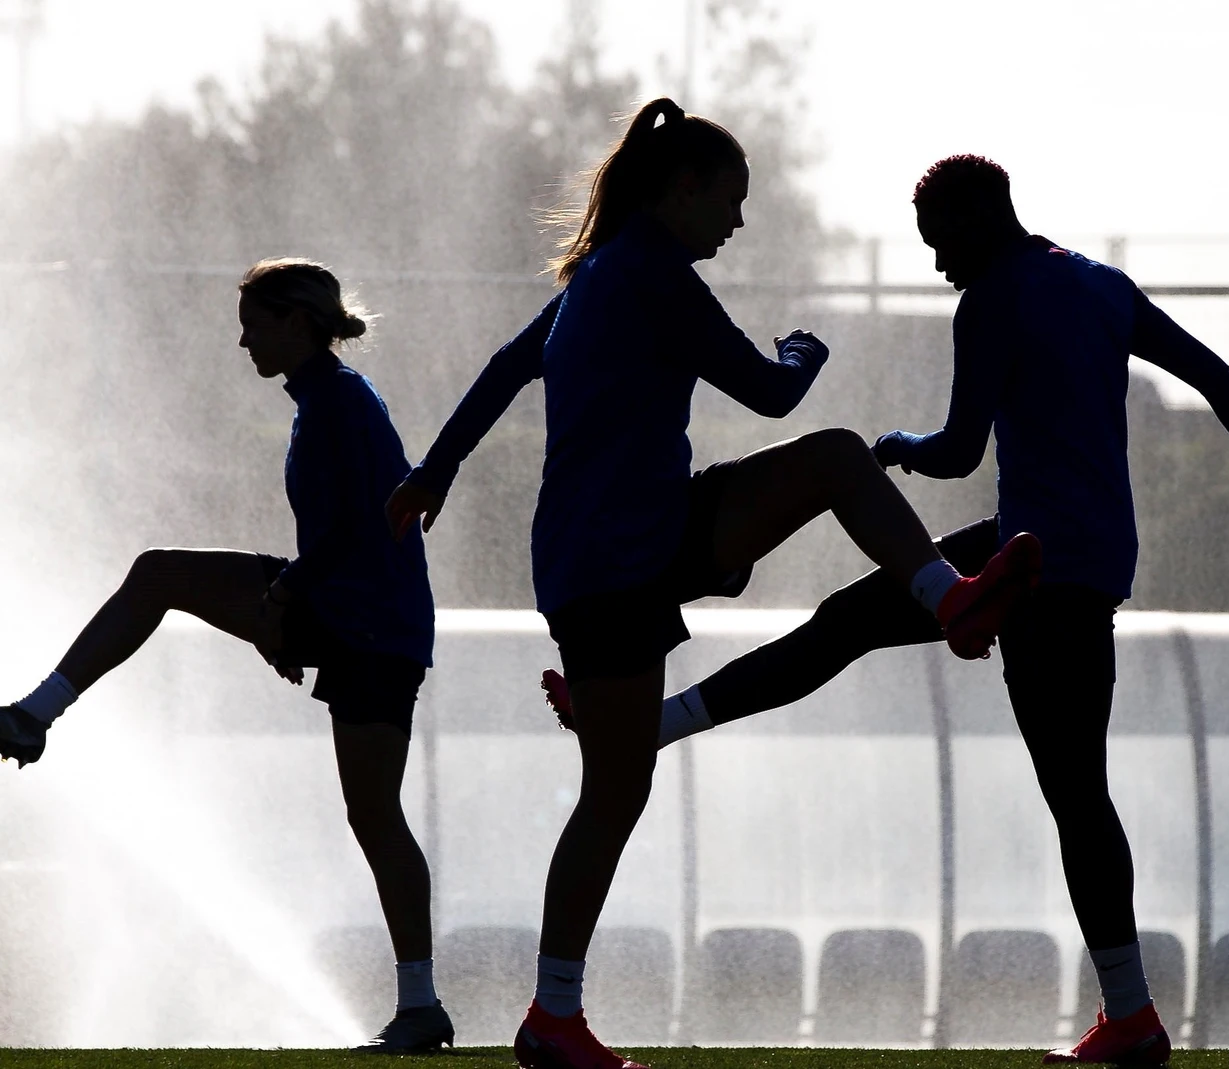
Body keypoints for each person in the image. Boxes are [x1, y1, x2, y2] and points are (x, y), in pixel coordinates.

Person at [540, 155, 1229, 1064]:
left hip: (1036, 569)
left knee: (1066, 785)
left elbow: (955, 449)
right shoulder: (1103, 286)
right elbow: (1218, 377)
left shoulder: (990, 298)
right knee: (864, 628)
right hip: (1084, 555)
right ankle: (681, 716)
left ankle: (1134, 1017)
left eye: (943, 243)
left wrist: (896, 447)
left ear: (983, 220)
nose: (941, 264)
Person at [385, 102, 1031, 1069]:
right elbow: (771, 388)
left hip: (634, 535)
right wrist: (806, 348)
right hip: (616, 556)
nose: (736, 222)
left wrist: (436, 469)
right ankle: (552, 1015)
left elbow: (502, 368)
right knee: (615, 788)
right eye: (729, 201)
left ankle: (950, 598)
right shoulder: (650, 273)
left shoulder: (598, 273)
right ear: (678, 189)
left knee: (833, 462)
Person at [0, 259, 456, 1054]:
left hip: (373, 627)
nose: (242, 339)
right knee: (159, 574)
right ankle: (33, 715)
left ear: (295, 322)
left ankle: (421, 1006)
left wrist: (281, 606)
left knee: (374, 814)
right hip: (350, 613)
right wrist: (286, 610)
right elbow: (338, 536)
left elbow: (360, 528)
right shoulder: (326, 398)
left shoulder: (339, 402)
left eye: (254, 322)